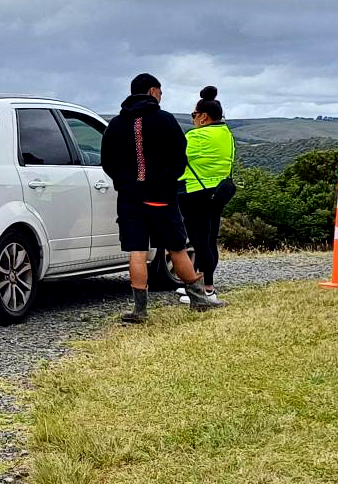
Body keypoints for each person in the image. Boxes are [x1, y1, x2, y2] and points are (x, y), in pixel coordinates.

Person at [101, 73, 220, 323]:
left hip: (129, 197)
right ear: (153, 91)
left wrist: (124, 182)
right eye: (161, 92)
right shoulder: (165, 120)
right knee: (176, 247)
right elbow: (180, 157)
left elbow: (108, 161)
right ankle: (199, 300)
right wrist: (168, 181)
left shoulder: (116, 124)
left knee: (137, 251)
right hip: (161, 197)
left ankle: (140, 310)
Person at [176, 86, 238, 306]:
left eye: (194, 115)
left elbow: (175, 159)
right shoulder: (227, 135)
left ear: (203, 117)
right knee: (210, 239)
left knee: (199, 240)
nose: (193, 119)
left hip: (195, 192)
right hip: (218, 192)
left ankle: (205, 291)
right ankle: (208, 287)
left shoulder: (196, 136)